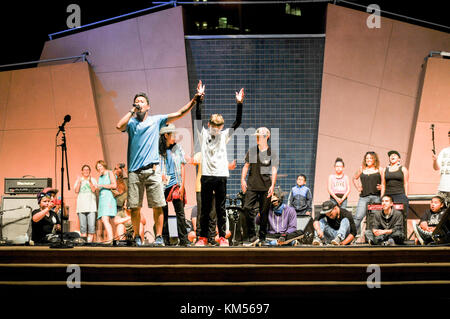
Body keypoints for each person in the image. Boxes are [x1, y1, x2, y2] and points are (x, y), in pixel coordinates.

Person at [116, 81, 205, 246]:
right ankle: (137, 236)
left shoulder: (156, 120)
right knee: (135, 207)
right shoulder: (131, 123)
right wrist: (131, 110)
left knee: (158, 205)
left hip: (152, 170)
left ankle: (158, 237)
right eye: (137, 101)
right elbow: (118, 125)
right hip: (134, 171)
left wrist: (194, 100)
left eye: (142, 101)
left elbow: (179, 113)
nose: (139, 103)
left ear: (148, 106)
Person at [194, 87, 244, 247]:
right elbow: (197, 118)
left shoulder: (224, 136)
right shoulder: (203, 134)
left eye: (219, 126)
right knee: (205, 208)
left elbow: (237, 122)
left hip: (221, 175)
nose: (216, 129)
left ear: (222, 126)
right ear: (209, 124)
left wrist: (239, 103)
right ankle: (202, 238)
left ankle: (222, 237)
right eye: (214, 126)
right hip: (207, 175)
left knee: (221, 208)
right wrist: (199, 100)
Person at [241, 127, 278, 246]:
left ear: (267, 137)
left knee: (264, 213)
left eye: (260, 136)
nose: (257, 138)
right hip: (252, 185)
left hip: (265, 187)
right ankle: (252, 236)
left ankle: (262, 237)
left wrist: (272, 186)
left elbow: (274, 170)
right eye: (256, 136)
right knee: (247, 208)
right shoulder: (252, 151)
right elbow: (246, 166)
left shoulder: (271, 153)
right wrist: (242, 179)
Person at [159, 123, 189, 246]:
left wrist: (182, 185)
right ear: (166, 135)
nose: (175, 136)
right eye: (173, 134)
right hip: (162, 185)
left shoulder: (178, 148)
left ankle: (183, 239)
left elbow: (182, 166)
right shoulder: (157, 150)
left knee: (180, 212)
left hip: (176, 183)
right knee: (163, 213)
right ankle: (165, 239)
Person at [352, 151, 383, 234]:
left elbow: (385, 182)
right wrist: (358, 187)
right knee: (358, 217)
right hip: (364, 197)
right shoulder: (362, 168)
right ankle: (350, 237)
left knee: (375, 219)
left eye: (370, 158)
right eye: (367, 158)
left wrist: (382, 186)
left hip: (376, 197)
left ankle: (374, 238)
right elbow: (354, 178)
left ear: (374, 159)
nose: (368, 160)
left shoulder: (379, 169)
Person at [381, 150, 409, 219]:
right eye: (391, 155)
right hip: (388, 195)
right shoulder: (385, 170)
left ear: (399, 159)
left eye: (395, 155)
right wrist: (381, 197)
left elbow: (406, 183)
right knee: (387, 215)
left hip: (399, 194)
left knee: (400, 215)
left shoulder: (403, 169)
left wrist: (406, 196)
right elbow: (383, 184)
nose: (392, 156)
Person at [74, 164, 97, 243]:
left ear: (90, 171)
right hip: (81, 207)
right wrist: (79, 182)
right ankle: (84, 245)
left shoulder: (93, 179)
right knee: (83, 227)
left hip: (91, 207)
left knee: (91, 227)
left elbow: (94, 190)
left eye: (88, 170)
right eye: (84, 170)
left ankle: (90, 245)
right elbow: (76, 191)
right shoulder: (79, 180)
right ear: (82, 171)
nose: (86, 171)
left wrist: (90, 181)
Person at [96, 160, 117, 245]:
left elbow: (114, 185)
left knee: (106, 219)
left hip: (108, 198)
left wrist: (102, 186)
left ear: (104, 165)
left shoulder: (110, 173)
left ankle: (111, 239)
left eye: (100, 166)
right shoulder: (100, 177)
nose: (99, 168)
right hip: (102, 199)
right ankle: (110, 238)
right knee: (105, 220)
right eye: (97, 167)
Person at [432, 131, 450, 206]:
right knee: (441, 213)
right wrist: (435, 160)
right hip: (443, 188)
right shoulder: (444, 151)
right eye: (449, 136)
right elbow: (436, 168)